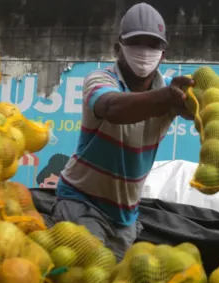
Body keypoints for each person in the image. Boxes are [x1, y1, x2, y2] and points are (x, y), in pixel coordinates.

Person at [49, 2, 194, 260]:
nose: (145, 52)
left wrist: (197, 105)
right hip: (83, 202)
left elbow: (197, 113)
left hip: (125, 216)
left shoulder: (169, 93)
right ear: (118, 47)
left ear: (163, 54)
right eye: (137, 43)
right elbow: (113, 108)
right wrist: (166, 99)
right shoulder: (101, 79)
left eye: (153, 45)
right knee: (89, 278)